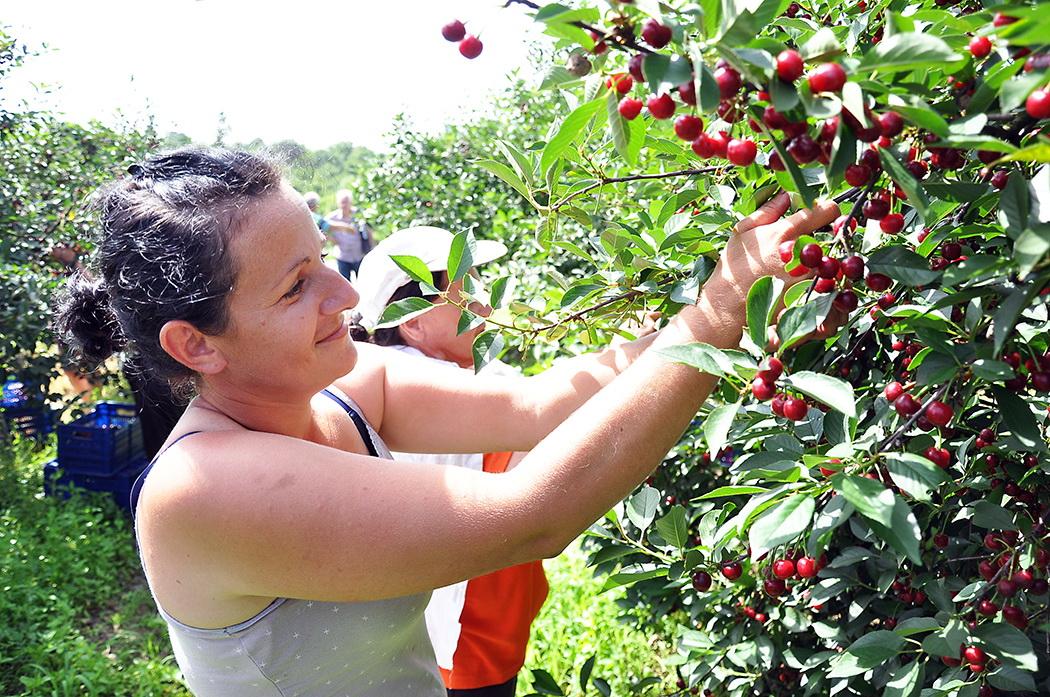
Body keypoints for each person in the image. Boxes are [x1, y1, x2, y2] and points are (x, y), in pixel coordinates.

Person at [54, 147, 839, 697]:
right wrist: (717, 316)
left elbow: (543, 403)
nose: (347, 296)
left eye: (324, 257)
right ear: (195, 343)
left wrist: (729, 289)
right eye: (297, 287)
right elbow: (529, 517)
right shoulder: (203, 488)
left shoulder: (350, 384)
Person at [351, 226, 542, 697]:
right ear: (412, 322)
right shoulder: (418, 384)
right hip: (463, 635)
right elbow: (536, 489)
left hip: (479, 622)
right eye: (466, 291)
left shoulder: (458, 371)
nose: (484, 301)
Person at [325, 188, 371, 281]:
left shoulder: (358, 214)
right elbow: (320, 228)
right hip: (343, 256)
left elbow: (369, 231)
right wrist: (332, 239)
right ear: (338, 203)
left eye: (346, 202)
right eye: (342, 202)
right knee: (346, 283)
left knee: (363, 282)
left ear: (351, 202)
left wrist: (371, 248)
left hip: (359, 255)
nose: (344, 205)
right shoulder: (332, 217)